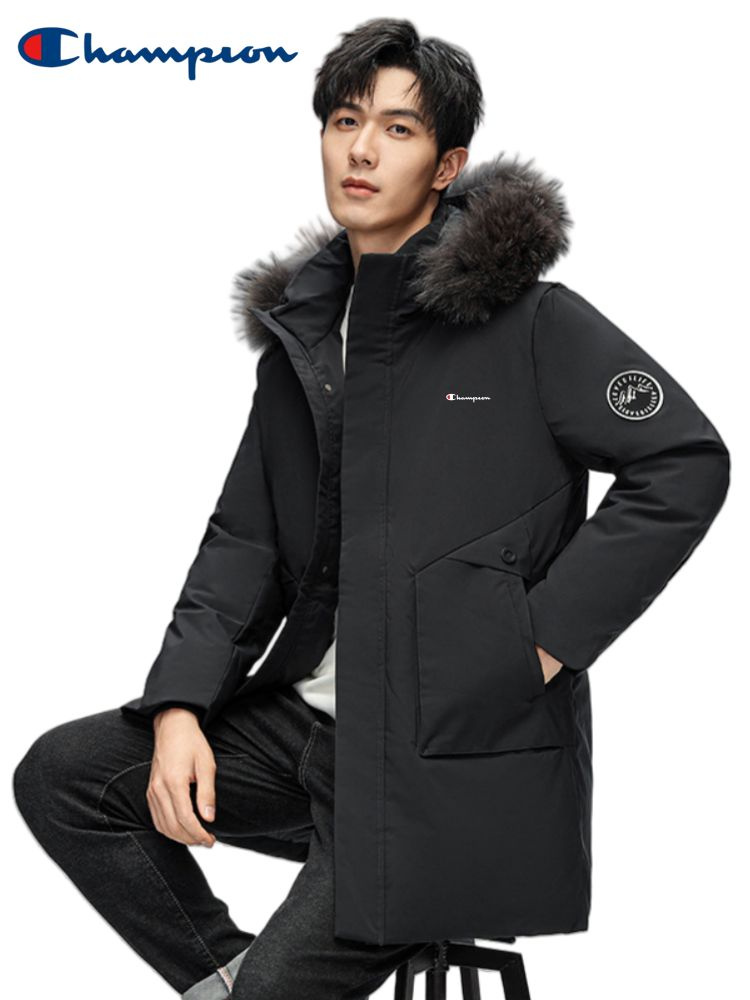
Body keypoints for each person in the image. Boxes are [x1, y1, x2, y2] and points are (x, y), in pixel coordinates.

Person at [12, 16, 730, 1000]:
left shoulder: (534, 324)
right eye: (345, 121)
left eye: (398, 129)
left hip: (447, 757)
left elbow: (683, 461)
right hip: (304, 737)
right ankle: (226, 975)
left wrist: (539, 641)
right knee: (68, 776)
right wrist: (180, 705)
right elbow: (245, 540)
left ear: (447, 166)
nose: (361, 149)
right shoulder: (303, 346)